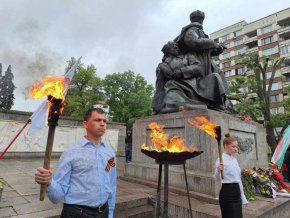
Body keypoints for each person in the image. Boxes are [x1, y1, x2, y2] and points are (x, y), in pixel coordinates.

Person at [35, 108, 116, 218]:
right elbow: (57, 195)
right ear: (85, 124)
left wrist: (110, 213)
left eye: (104, 121)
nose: (102, 124)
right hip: (77, 213)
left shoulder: (110, 153)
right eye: (97, 120)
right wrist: (48, 182)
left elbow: (111, 184)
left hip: (104, 212)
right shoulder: (71, 152)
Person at [152, 41, 228, 114]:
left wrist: (181, 72)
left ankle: (218, 105)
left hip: (196, 85)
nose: (176, 47)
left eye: (177, 46)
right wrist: (156, 106)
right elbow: (159, 86)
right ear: (168, 50)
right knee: (175, 100)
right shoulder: (162, 66)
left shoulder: (188, 56)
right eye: (173, 46)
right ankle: (203, 106)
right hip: (176, 87)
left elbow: (198, 67)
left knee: (215, 76)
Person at [215, 133, 248, 218]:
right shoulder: (220, 159)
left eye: (236, 146)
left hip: (236, 192)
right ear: (226, 146)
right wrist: (218, 170)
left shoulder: (234, 160)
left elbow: (238, 179)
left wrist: (243, 197)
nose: (236, 149)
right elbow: (217, 179)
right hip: (227, 193)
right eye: (233, 146)